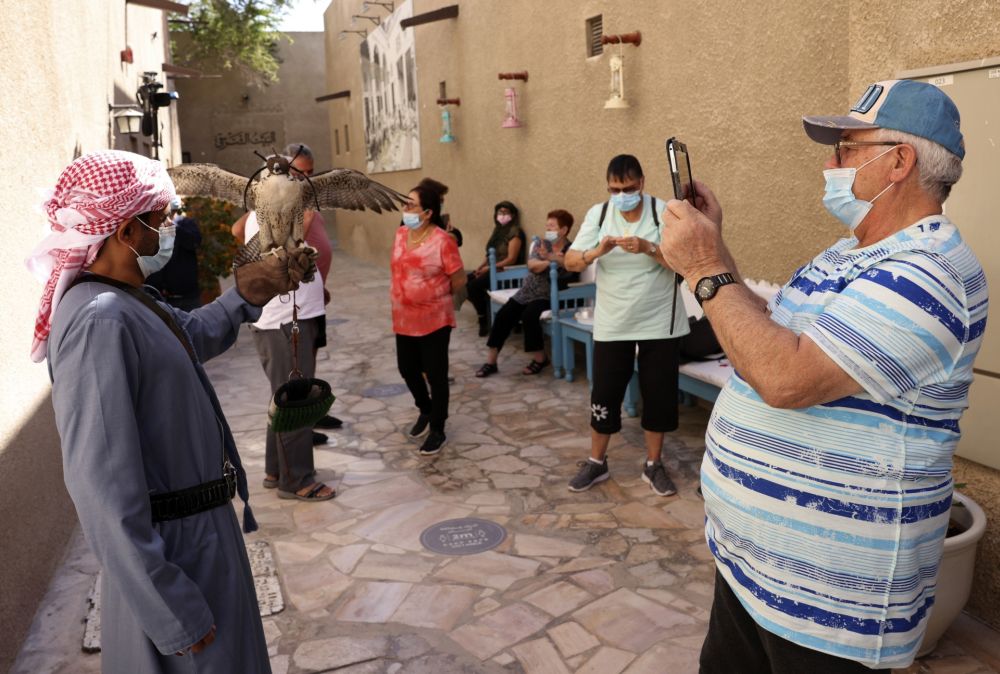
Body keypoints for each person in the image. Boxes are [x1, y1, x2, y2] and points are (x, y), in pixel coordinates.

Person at [657, 81, 987, 672]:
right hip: (754, 572)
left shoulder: (930, 272)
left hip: (832, 609)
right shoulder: (851, 253)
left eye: (844, 148)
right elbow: (768, 334)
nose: (829, 164)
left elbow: (787, 378)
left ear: (899, 161)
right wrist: (718, 247)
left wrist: (703, 268)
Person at [27, 150, 311, 672]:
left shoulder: (129, 300)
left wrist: (246, 293)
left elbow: (189, 337)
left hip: (203, 539)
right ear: (125, 231)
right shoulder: (98, 321)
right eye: (160, 220)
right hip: (175, 556)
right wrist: (169, 608)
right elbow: (100, 487)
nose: (169, 229)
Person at [563, 155, 689, 497]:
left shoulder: (662, 212)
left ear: (642, 183)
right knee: (603, 392)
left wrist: (649, 247)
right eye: (615, 189)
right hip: (613, 323)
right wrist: (596, 252)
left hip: (659, 321)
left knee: (658, 395)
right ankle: (596, 461)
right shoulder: (599, 214)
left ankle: (653, 464)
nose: (622, 195)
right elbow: (570, 260)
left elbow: (682, 262)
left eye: (628, 188)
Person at [234, 145, 336, 502]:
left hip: (295, 314)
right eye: (295, 173)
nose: (301, 179)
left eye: (305, 172)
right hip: (282, 318)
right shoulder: (288, 210)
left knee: (283, 394)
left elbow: (237, 229)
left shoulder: (264, 209)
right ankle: (298, 480)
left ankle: (276, 469)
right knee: (295, 397)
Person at [391, 183, 466, 456]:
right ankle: (425, 408)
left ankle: (437, 428)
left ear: (427, 212)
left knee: (436, 375)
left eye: (410, 205)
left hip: (435, 318)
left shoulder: (443, 241)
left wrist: (432, 298)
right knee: (407, 369)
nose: (405, 209)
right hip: (404, 318)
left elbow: (458, 280)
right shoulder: (400, 234)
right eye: (404, 204)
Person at [475, 209, 576, 377]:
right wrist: (551, 260)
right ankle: (491, 362)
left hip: (551, 295)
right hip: (527, 291)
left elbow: (570, 266)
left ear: (564, 230)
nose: (548, 230)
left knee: (530, 316)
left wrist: (553, 260)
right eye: (547, 226)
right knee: (503, 316)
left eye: (552, 227)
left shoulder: (571, 249)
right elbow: (532, 266)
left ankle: (540, 358)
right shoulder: (541, 244)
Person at [287, 142, 344, 438]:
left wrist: (321, 285)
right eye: (301, 172)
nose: (307, 177)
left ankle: (313, 412)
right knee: (299, 363)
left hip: (314, 298)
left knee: (311, 358)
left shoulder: (308, 200)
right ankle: (302, 429)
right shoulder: (282, 202)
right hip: (296, 303)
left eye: (311, 172)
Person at [466, 201, 523, 336]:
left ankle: (483, 319)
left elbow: (511, 259)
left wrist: (489, 268)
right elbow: (490, 253)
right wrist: (480, 268)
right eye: (500, 212)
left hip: (505, 272)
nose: (502, 215)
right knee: (465, 281)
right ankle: (485, 312)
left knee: (474, 286)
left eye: (506, 213)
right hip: (492, 268)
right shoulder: (498, 231)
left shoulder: (515, 232)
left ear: (513, 215)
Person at [146, 196, 203, 311]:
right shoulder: (153, 228)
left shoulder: (186, 224)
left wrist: (172, 225)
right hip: (160, 299)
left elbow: (194, 242)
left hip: (188, 298)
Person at [417, 177, 463, 247]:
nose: (441, 204)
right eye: (440, 200)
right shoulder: (413, 220)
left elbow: (457, 235)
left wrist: (452, 235)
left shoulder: (437, 218)